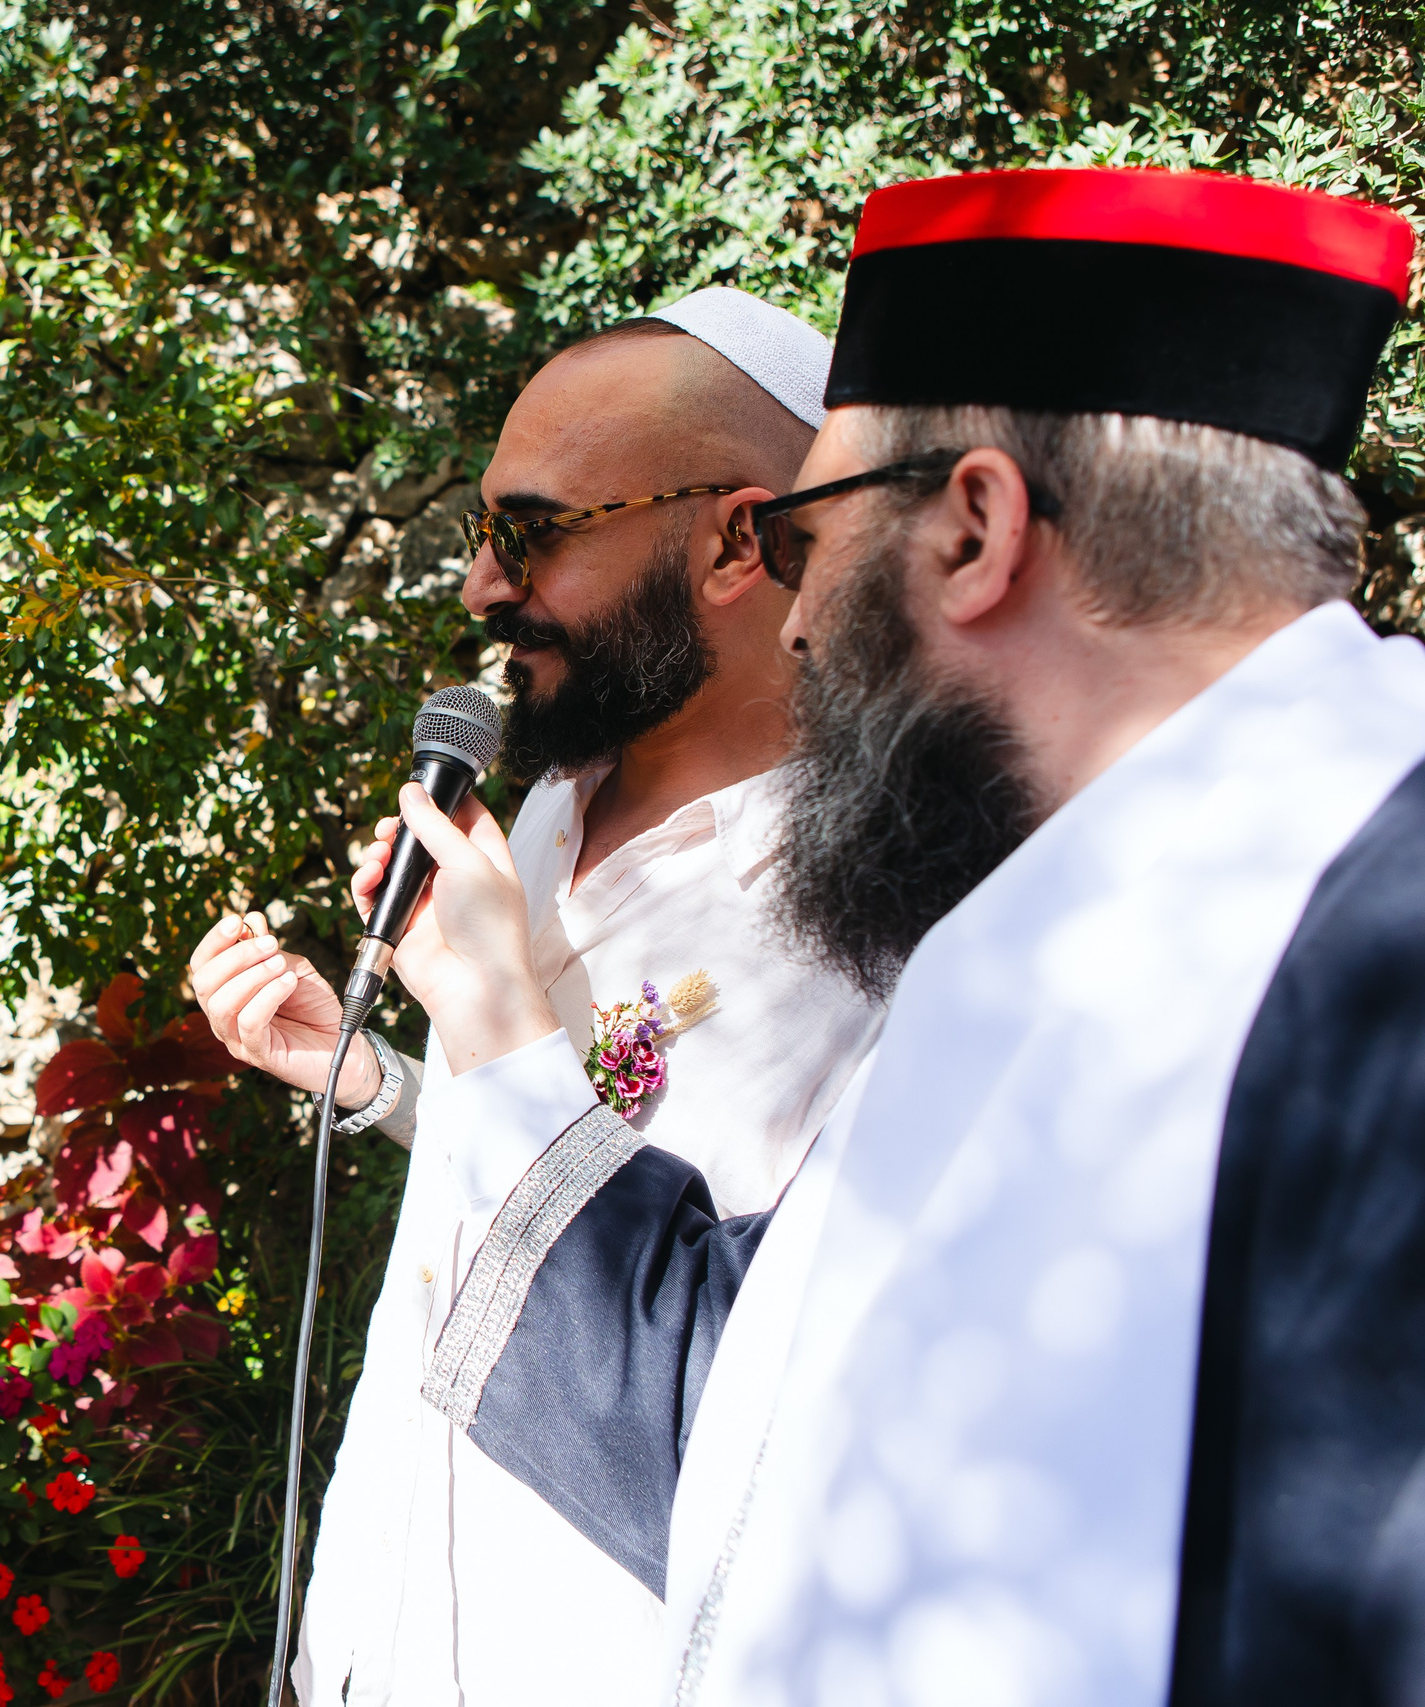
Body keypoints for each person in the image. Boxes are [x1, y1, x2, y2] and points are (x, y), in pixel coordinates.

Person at [379, 167, 1425, 1707]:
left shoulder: (1372, 938)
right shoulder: (1034, 929)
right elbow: (741, 1429)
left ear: (975, 530)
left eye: (806, 543)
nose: (794, 626)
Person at [189, 288, 884, 1704]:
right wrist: (382, 1079)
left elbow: (719, 1356)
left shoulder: (878, 914)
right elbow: (538, 1167)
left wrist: (502, 1020)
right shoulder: (553, 808)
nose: (480, 588)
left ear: (738, 539)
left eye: (533, 530)